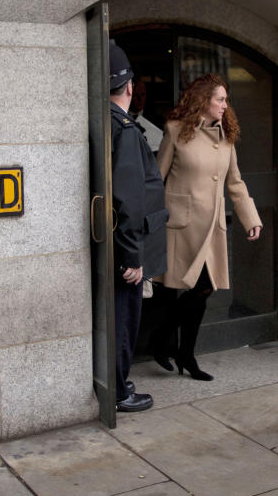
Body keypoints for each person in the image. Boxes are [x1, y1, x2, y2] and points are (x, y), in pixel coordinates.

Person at [149, 74, 262, 381]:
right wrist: (148, 225)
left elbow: (235, 183)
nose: (225, 105)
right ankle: (172, 346)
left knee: (204, 289)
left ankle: (178, 350)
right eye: (220, 99)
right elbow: (156, 180)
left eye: (226, 100)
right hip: (181, 227)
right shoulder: (175, 132)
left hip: (212, 229)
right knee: (193, 290)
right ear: (203, 100)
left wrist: (250, 218)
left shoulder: (226, 138)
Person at [108, 40, 168, 413]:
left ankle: (116, 380)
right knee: (125, 319)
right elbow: (127, 198)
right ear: (129, 87)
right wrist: (133, 255)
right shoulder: (126, 129)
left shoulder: (110, 123)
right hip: (127, 247)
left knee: (121, 317)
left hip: (116, 242)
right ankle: (118, 390)